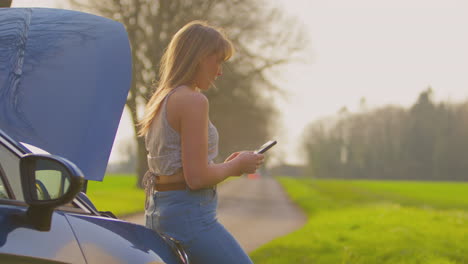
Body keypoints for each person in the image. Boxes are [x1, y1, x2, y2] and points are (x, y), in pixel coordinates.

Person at [138, 20, 264, 264]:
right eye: (217, 60)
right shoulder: (193, 101)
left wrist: (224, 165)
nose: (220, 71)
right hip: (189, 218)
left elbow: (181, 167)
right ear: (199, 57)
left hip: (160, 212)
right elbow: (196, 179)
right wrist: (237, 167)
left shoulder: (161, 99)